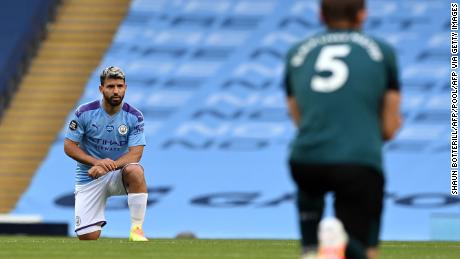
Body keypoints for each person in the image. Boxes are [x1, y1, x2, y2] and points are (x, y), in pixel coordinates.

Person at [283, 0, 401, 258]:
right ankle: (341, 245)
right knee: (365, 249)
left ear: (320, 15)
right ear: (362, 14)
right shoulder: (382, 51)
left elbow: (297, 116)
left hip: (306, 159)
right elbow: (390, 127)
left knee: (310, 214)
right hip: (358, 160)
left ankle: (313, 248)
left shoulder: (296, 52)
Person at [64, 66, 149, 241]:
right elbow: (69, 146)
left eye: (119, 86)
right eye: (110, 86)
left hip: (117, 174)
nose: (116, 91)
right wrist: (96, 162)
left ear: (125, 87)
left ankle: (137, 229)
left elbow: (136, 154)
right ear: (101, 89)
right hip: (89, 176)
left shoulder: (134, 117)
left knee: (135, 170)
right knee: (88, 237)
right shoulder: (84, 113)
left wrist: (108, 166)